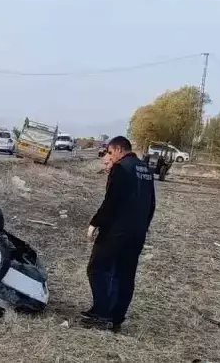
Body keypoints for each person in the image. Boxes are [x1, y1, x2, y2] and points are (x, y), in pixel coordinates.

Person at [81, 135, 156, 332]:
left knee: (98, 268)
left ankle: (102, 313)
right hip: (137, 233)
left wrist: (95, 223)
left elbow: (112, 201)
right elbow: (152, 204)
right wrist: (143, 226)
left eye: (111, 152)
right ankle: (116, 318)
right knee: (125, 274)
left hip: (116, 231)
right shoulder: (146, 169)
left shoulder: (121, 168)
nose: (110, 157)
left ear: (120, 150)